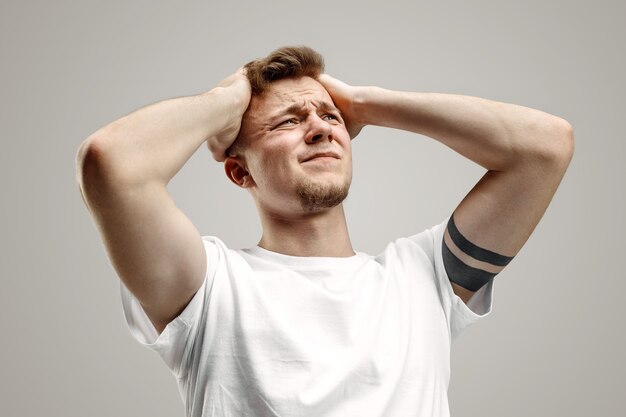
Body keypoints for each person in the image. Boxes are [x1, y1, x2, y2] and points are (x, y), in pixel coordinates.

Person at [76, 46, 574, 417]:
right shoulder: (206, 287)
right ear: (239, 172)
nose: (320, 128)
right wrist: (226, 100)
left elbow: (546, 147)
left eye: (330, 117)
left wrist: (364, 103)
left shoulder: (425, 279)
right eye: (286, 122)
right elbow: (111, 163)